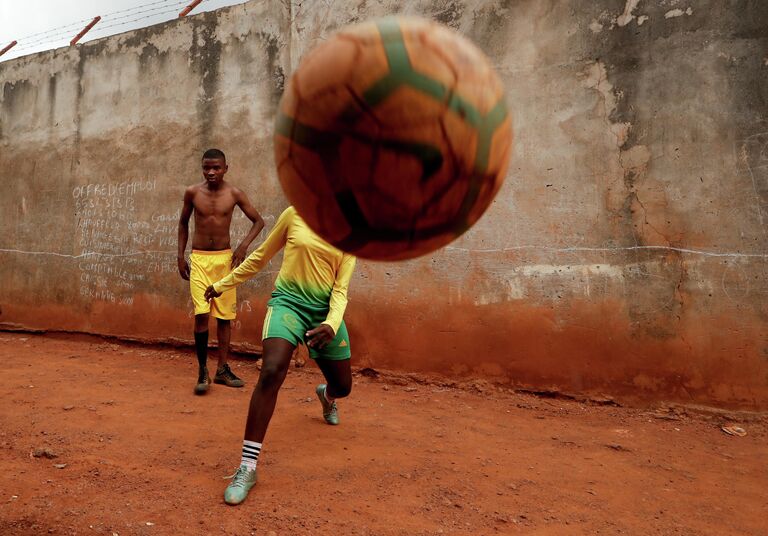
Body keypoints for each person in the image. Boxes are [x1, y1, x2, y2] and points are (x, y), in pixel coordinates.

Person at [203, 205, 356, 505]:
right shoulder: (295, 213)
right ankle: (247, 467)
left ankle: (328, 396)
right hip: (288, 304)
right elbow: (261, 256)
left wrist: (330, 323)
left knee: (344, 386)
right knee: (271, 370)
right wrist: (223, 284)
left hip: (325, 314)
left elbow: (341, 289)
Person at [177, 148, 265, 395]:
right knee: (202, 314)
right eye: (206, 167)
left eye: (216, 167)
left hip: (225, 262)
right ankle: (202, 370)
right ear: (202, 168)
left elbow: (258, 221)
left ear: (227, 167)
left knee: (225, 316)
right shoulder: (193, 192)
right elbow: (183, 223)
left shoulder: (234, 193)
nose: (211, 172)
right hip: (200, 260)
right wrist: (180, 256)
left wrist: (243, 246)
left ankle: (222, 369)